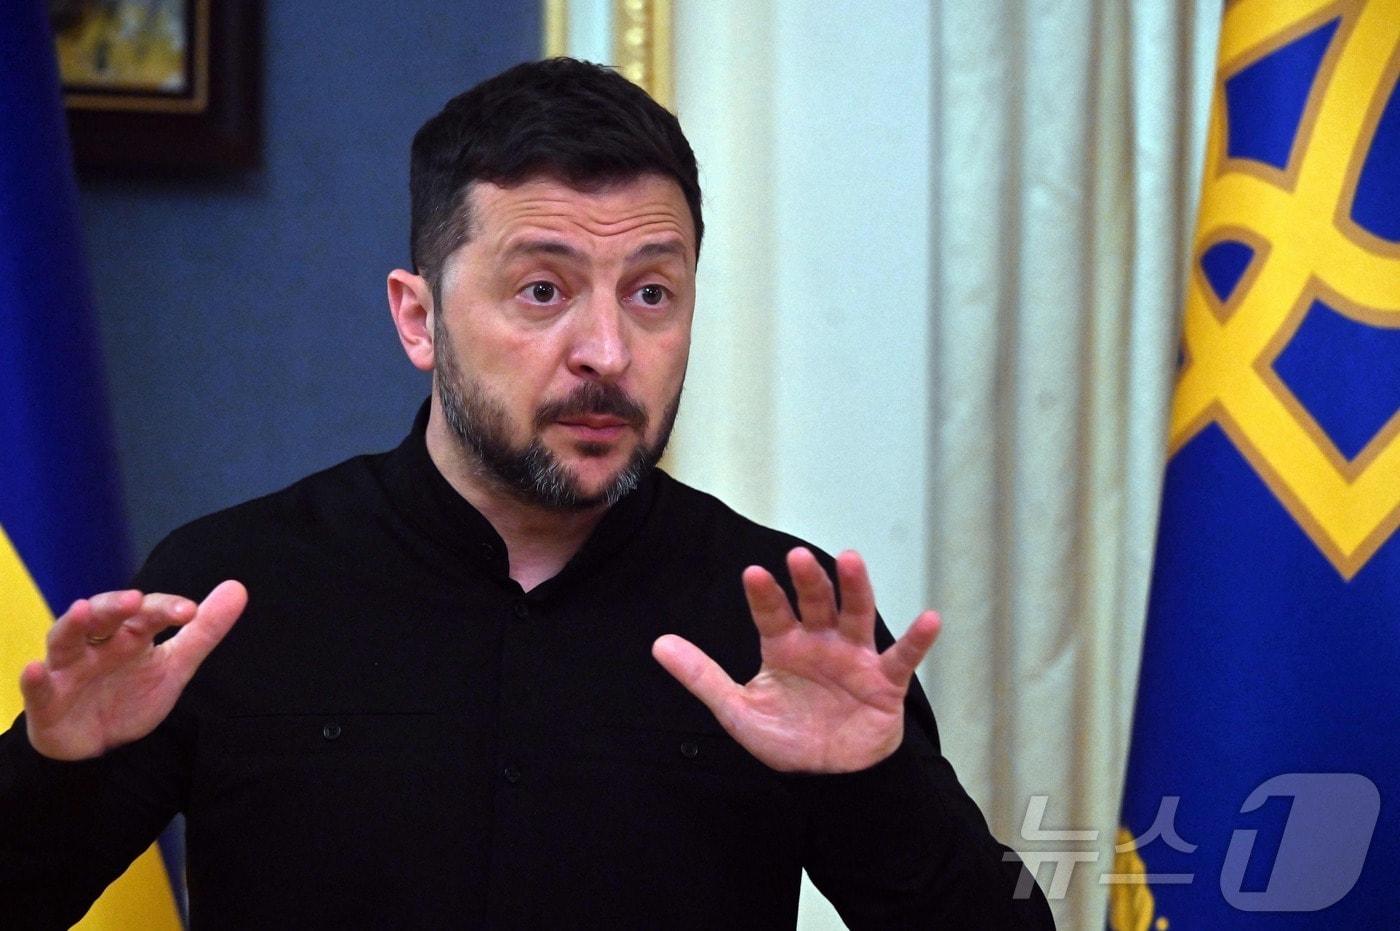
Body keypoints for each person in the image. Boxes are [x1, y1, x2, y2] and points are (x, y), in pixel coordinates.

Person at [0, 58, 1053, 928]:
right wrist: (52, 773)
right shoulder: (233, 589)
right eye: (542, 290)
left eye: (651, 293)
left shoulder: (784, 620)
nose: (606, 351)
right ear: (418, 319)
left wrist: (875, 784)